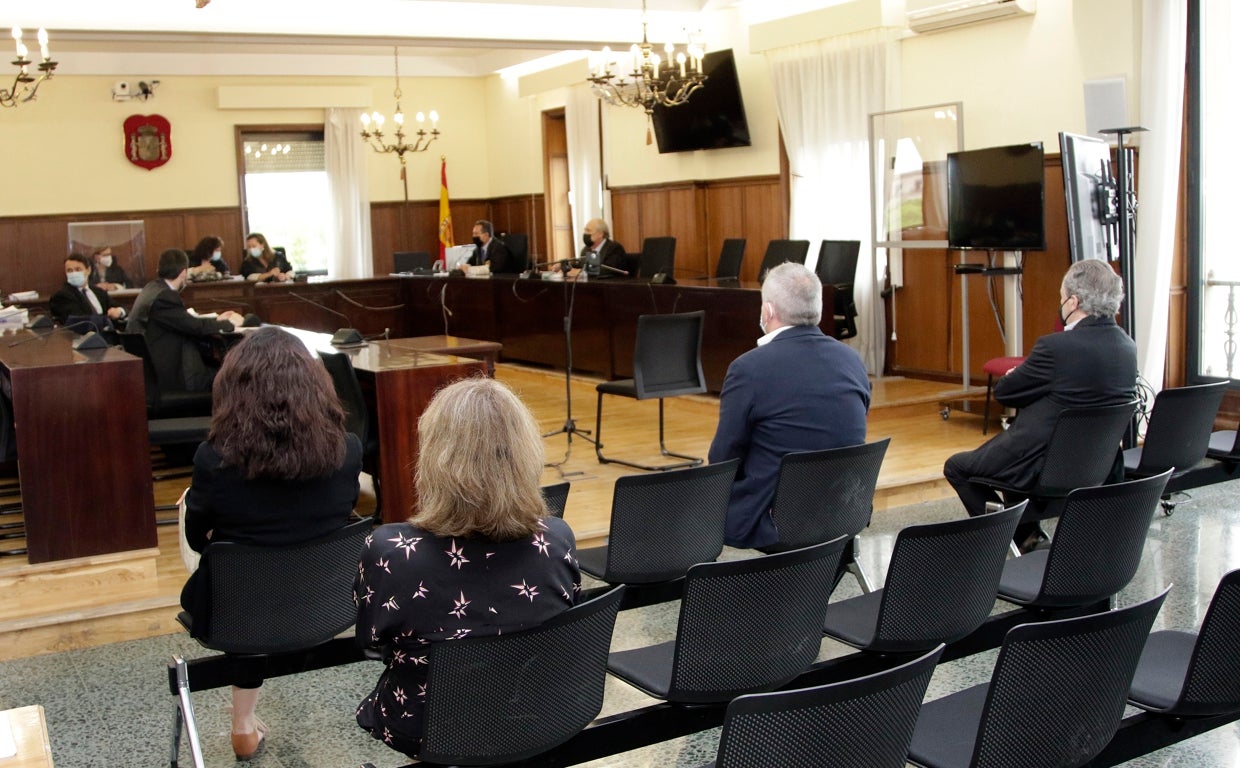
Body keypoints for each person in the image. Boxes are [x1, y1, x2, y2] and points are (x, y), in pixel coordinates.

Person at [354, 377, 580, 757]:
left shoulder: (391, 550)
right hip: (535, 715)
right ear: (524, 453)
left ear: (434, 457)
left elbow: (371, 642)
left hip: (425, 725)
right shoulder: (556, 540)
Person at [179, 326, 363, 761]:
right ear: (315, 385)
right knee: (269, 559)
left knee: (203, 522)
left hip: (237, 610)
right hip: (327, 601)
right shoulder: (348, 449)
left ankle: (243, 721)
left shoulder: (213, 459)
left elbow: (195, 536)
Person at [942, 259, 1138, 548]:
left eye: (1061, 298)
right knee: (1007, 460)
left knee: (958, 468)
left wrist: (1013, 376)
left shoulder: (1056, 347)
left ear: (1073, 301)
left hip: (1042, 464)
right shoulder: (1127, 347)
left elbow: (1007, 393)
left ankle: (1019, 538)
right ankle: (1028, 537)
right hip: (1098, 464)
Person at [708, 262, 871, 549]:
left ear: (767, 311)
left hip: (772, 518)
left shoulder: (748, 368)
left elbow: (723, 457)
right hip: (842, 507)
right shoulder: (852, 360)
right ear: (817, 308)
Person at [128, 248, 244, 391]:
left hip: (154, 370)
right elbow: (195, 327)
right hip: (173, 375)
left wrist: (215, 320)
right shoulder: (165, 297)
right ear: (184, 272)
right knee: (231, 376)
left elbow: (182, 321)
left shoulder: (151, 289)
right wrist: (227, 324)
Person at [49, 253, 127, 327]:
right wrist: (106, 320)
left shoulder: (98, 291)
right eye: (69, 271)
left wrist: (120, 311)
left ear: (88, 270)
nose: (74, 273)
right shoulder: (61, 296)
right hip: (83, 339)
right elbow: (80, 321)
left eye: (78, 269)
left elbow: (120, 307)